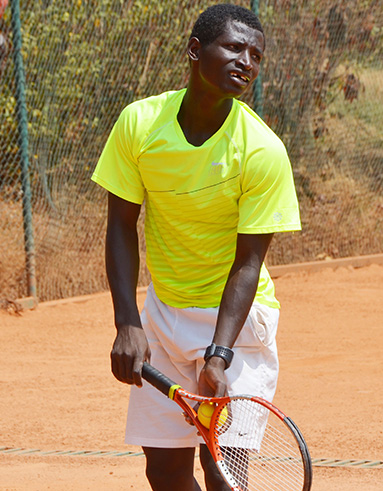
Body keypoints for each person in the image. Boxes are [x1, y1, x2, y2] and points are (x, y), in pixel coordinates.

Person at [91, 4, 301, 490]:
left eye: (255, 54)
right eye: (233, 47)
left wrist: (218, 356)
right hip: (164, 315)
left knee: (223, 474)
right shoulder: (139, 125)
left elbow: (249, 264)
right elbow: (121, 225)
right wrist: (128, 322)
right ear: (194, 50)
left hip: (238, 323)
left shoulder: (261, 150)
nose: (245, 61)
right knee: (164, 473)